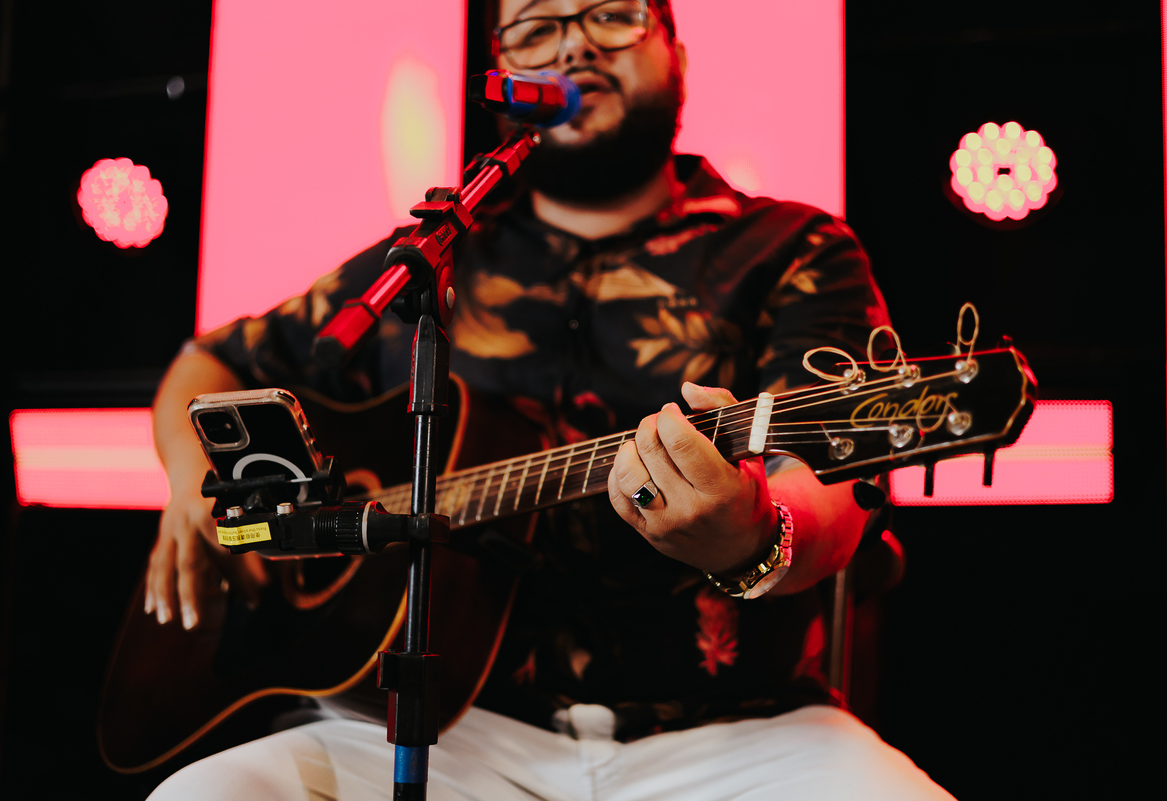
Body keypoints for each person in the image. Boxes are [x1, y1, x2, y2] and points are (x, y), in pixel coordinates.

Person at [145, 1, 954, 798]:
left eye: (611, 16)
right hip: (448, 725)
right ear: (503, 73)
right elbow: (209, 362)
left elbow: (834, 487)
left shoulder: (795, 249)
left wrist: (753, 535)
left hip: (743, 734)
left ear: (676, 54)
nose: (573, 47)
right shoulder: (434, 258)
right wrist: (191, 484)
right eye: (536, 28)